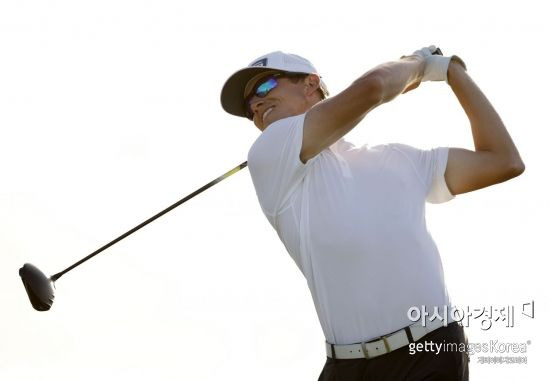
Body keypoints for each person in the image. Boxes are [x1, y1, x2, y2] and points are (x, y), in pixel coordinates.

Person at [220, 47, 524, 381]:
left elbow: (503, 161)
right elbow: (375, 87)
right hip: (348, 367)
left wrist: (454, 73)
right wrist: (420, 65)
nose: (255, 105)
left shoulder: (400, 159)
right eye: (249, 107)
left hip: (432, 351)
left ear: (310, 84)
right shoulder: (269, 152)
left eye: (264, 87)